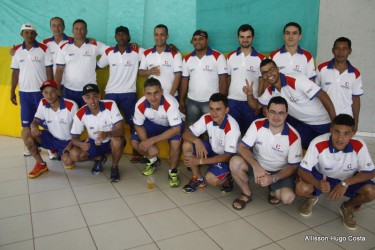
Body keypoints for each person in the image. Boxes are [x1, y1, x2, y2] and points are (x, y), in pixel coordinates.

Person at [296, 114, 375, 230]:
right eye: (337, 132)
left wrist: (345, 183)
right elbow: (302, 171)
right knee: (300, 189)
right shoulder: (318, 142)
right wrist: (318, 184)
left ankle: (347, 207)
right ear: (331, 130)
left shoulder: (359, 144)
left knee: (372, 192)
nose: (340, 138)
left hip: (347, 179)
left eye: (346, 133)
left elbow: (370, 172)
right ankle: (311, 198)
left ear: (353, 133)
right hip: (322, 177)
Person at [230, 96, 302, 210]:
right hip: (258, 165)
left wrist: (273, 178)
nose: (276, 117)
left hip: (280, 171)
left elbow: (294, 166)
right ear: (266, 112)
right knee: (234, 162)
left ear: (286, 115)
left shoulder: (294, 136)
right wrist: (256, 166)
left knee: (288, 198)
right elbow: (241, 147)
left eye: (281, 113)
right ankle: (246, 193)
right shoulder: (257, 124)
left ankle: (273, 190)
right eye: (272, 112)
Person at [246, 58, 336, 149]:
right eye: (264, 73)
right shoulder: (270, 91)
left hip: (324, 122)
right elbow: (256, 106)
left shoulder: (296, 80)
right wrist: (249, 94)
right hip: (305, 124)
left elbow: (323, 95)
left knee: (331, 149)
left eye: (271, 69)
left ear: (278, 69)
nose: (268, 74)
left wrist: (334, 121)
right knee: (295, 146)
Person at [96, 26, 144, 162]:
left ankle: (136, 151)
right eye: (118, 35)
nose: (121, 37)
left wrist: (170, 46)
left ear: (128, 37)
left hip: (129, 93)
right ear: (115, 37)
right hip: (111, 93)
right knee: (107, 123)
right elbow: (98, 66)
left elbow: (154, 52)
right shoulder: (109, 52)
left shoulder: (137, 51)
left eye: (124, 35)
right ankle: (107, 149)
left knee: (135, 123)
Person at [182, 93, 240, 193]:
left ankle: (229, 178)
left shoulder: (232, 128)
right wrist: (197, 141)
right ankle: (198, 179)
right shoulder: (207, 117)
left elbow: (227, 156)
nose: (214, 113)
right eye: (211, 109)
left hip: (227, 159)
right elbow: (186, 134)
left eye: (218, 109)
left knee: (211, 179)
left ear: (226, 110)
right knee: (187, 144)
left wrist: (199, 161)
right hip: (213, 151)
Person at [131, 78, 184, 187]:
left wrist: (151, 141)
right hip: (154, 123)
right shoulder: (140, 104)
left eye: (156, 93)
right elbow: (138, 125)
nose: (153, 97)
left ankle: (173, 171)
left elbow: (176, 129)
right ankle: (153, 160)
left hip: (173, 125)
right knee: (134, 142)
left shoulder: (170, 102)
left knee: (176, 144)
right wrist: (146, 142)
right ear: (144, 93)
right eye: (149, 94)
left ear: (162, 91)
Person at [10, 23, 53, 156]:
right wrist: (12, 91)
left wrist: (51, 89)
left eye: (31, 32)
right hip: (24, 93)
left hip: (41, 93)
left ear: (36, 34)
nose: (29, 35)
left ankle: (51, 148)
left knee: (47, 122)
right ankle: (31, 145)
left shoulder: (44, 49)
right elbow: (15, 72)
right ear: (21, 34)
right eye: (26, 32)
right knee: (27, 124)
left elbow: (49, 69)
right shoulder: (17, 51)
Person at [22, 80, 78, 178]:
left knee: (68, 162)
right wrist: (33, 126)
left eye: (52, 92)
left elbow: (78, 130)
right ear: (42, 93)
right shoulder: (43, 102)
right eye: (45, 92)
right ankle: (41, 164)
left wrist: (69, 146)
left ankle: (62, 152)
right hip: (51, 137)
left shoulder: (71, 105)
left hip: (68, 141)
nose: (49, 95)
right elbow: (36, 120)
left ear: (57, 91)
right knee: (26, 132)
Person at [70, 84, 125, 182]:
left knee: (117, 140)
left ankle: (114, 167)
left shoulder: (110, 105)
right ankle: (99, 158)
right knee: (74, 154)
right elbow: (74, 137)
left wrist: (107, 134)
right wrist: (80, 144)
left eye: (95, 96)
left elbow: (121, 130)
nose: (92, 101)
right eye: (88, 97)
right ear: (83, 98)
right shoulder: (80, 113)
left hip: (110, 140)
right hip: (94, 142)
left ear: (99, 96)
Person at [179, 30, 228, 125]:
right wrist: (181, 99)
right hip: (191, 102)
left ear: (207, 40)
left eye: (201, 39)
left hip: (211, 103)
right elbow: (184, 80)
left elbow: (223, 80)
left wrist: (221, 101)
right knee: (193, 128)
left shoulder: (218, 56)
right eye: (195, 39)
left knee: (211, 130)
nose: (197, 42)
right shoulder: (187, 58)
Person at [55, 19, 107, 107]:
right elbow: (59, 70)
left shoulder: (94, 45)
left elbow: (110, 52)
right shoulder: (64, 47)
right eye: (76, 28)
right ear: (72, 31)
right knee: (70, 118)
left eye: (82, 28)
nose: (79, 31)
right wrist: (56, 89)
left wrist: (99, 65)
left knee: (90, 117)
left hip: (90, 91)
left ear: (86, 31)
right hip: (69, 90)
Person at [316, 37, 362, 132]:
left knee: (341, 145)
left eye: (344, 48)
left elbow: (356, 99)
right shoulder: (321, 69)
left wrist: (356, 122)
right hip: (322, 118)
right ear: (333, 50)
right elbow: (314, 92)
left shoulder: (355, 74)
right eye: (337, 48)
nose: (340, 52)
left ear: (350, 51)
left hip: (345, 120)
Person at [42, 17, 73, 160]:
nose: (57, 28)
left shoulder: (71, 41)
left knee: (66, 116)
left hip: (68, 85)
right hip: (51, 87)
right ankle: (52, 148)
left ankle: (68, 145)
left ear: (64, 26)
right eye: (54, 25)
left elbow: (87, 40)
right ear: (50, 27)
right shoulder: (45, 44)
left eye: (59, 25)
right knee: (50, 117)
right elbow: (48, 66)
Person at [227, 24, 265, 133]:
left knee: (251, 134)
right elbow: (228, 78)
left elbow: (263, 81)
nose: (245, 40)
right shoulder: (230, 57)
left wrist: (260, 102)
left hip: (252, 102)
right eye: (242, 37)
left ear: (253, 38)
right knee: (234, 133)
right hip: (233, 101)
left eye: (248, 37)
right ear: (238, 38)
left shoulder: (261, 58)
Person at [261, 22, 316, 95]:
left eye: (294, 33)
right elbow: (267, 79)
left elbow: (311, 80)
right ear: (283, 36)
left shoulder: (307, 56)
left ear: (299, 36)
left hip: (299, 100)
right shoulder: (274, 55)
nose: (290, 36)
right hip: (278, 99)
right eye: (287, 33)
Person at [139, 24, 182, 98]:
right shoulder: (146, 53)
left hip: (171, 95)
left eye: (162, 34)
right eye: (156, 34)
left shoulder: (175, 53)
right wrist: (149, 72)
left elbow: (178, 76)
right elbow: (141, 72)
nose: (159, 37)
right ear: (153, 36)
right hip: (153, 97)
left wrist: (171, 96)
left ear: (167, 36)